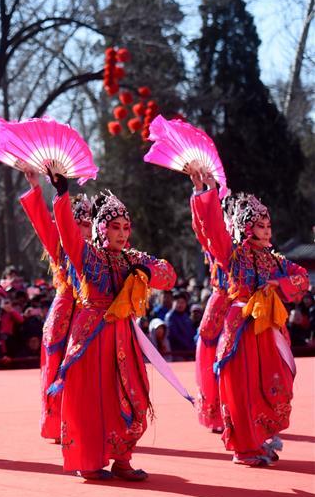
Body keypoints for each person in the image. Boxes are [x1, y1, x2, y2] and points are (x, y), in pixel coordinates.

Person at [49, 174, 176, 481]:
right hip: (92, 335)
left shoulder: (132, 258)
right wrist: (62, 194)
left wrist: (146, 269)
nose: (121, 233)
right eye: (114, 227)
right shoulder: (87, 255)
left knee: (131, 395)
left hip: (123, 337)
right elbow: (67, 233)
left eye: (125, 227)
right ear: (100, 228)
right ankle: (90, 461)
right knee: (92, 399)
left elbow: (169, 276)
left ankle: (122, 458)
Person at [191, 173, 308, 466]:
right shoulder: (231, 255)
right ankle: (244, 448)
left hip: (268, 329)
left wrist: (279, 286)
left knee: (272, 384)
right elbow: (212, 229)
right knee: (241, 387)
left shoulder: (275, 260)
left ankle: (260, 439)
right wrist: (205, 192)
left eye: (269, 225)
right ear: (246, 228)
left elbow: (302, 278)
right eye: (261, 226)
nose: (267, 231)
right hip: (241, 326)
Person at [19, 168, 91, 442]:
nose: (83, 229)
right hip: (63, 314)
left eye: (87, 224)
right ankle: (57, 423)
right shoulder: (59, 245)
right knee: (57, 366)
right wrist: (36, 186)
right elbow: (39, 220)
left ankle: (84, 419)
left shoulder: (98, 252)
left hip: (89, 314)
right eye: (78, 223)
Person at [188, 181, 232, 432]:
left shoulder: (242, 245)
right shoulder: (216, 242)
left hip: (241, 306)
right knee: (212, 358)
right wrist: (199, 192)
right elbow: (200, 227)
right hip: (219, 306)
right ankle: (217, 411)